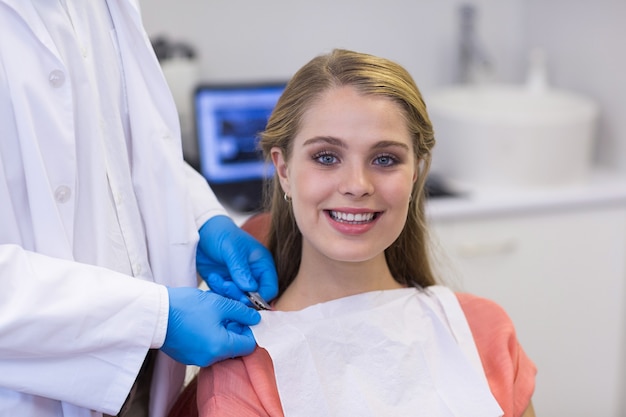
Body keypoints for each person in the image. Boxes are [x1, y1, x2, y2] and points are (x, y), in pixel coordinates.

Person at [187, 49, 537, 416]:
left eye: (385, 159)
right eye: (326, 157)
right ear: (284, 170)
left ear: (414, 173)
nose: (357, 185)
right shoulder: (245, 371)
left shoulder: (485, 332)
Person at [0, 1, 277, 417]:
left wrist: (200, 218)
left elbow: (122, 146)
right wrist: (153, 318)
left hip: (145, 371)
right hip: (32, 384)